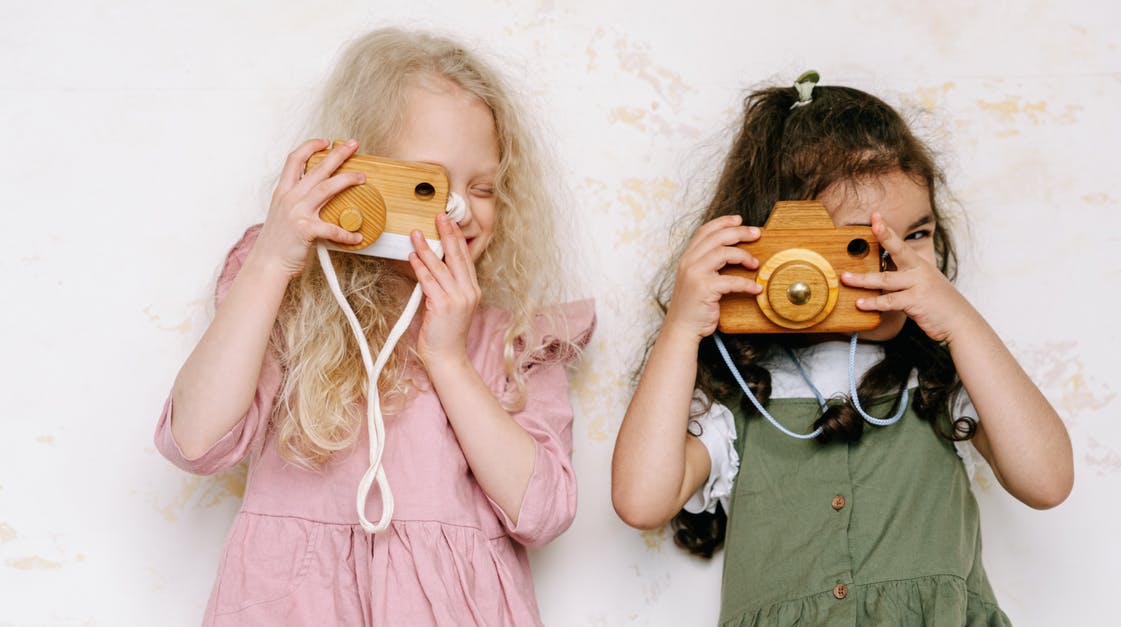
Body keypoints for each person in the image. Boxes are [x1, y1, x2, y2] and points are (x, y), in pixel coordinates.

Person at [155, 28, 593, 626]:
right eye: (432, 185)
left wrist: (450, 360)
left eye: (483, 188)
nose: (462, 210)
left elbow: (542, 511)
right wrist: (273, 262)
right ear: (360, 172)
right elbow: (196, 441)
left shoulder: (515, 340)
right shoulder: (293, 300)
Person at [611, 73, 1072, 625]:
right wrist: (683, 328)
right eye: (857, 244)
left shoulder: (936, 378)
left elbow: (1047, 482)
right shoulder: (744, 398)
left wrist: (959, 321)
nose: (894, 261)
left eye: (917, 235)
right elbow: (640, 501)